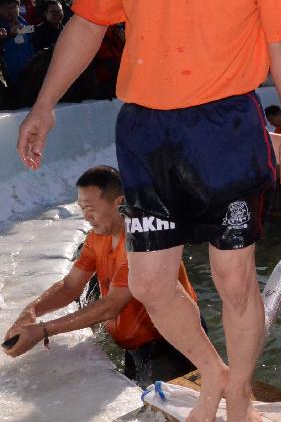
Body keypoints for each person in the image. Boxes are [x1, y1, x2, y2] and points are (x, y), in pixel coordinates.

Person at [16, 0, 281, 420]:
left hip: (224, 126)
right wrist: (45, 104)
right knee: (150, 284)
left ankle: (240, 393)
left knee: (234, 280)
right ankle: (214, 371)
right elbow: (88, 22)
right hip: (147, 129)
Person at [3, 166, 197, 388]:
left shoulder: (142, 239)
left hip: (171, 345)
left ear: (119, 202)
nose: (86, 216)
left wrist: (43, 330)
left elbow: (111, 305)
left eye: (91, 208)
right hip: (135, 346)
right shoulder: (97, 237)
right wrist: (31, 311)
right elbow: (70, 286)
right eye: (81, 208)